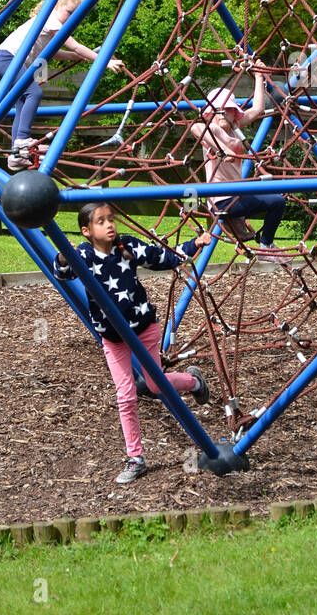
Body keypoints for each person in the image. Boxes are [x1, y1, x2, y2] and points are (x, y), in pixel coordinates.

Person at [54, 200, 209, 485]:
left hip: (144, 329)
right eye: (101, 221)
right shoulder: (83, 255)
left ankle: (194, 382)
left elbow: (163, 257)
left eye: (111, 218)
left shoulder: (127, 247)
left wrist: (195, 243)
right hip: (113, 338)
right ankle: (135, 457)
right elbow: (63, 272)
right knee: (125, 395)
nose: (109, 224)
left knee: (154, 384)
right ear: (86, 231)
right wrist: (63, 258)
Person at [0, 0, 125, 170]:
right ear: (56, 6)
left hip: (9, 60)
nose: (71, 18)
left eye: (75, 15)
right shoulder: (51, 20)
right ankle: (22, 139)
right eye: (69, 12)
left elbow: (48, 52)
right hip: (7, 59)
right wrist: (104, 62)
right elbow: (75, 46)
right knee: (34, 94)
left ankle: (16, 155)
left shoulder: (48, 22)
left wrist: (73, 59)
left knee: (23, 101)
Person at [190, 65, 286, 256]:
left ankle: (265, 242)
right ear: (209, 114)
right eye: (217, 111)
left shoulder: (235, 128)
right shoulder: (213, 130)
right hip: (222, 199)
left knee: (278, 200)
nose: (222, 113)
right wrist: (223, 149)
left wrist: (259, 77)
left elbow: (258, 109)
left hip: (237, 195)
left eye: (228, 109)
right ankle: (266, 245)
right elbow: (195, 127)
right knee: (276, 201)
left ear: (235, 113)